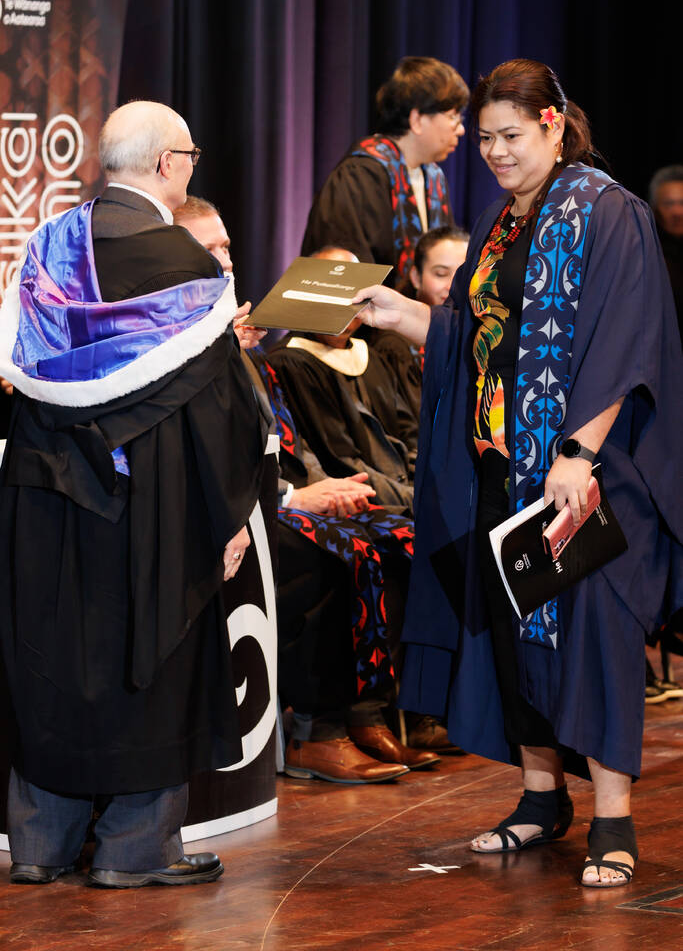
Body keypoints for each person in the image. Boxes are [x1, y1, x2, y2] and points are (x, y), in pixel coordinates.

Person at [353, 59, 683, 888]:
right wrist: (404, 317)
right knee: (514, 634)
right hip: (505, 467)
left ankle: (612, 817)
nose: (494, 152)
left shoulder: (610, 214)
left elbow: (625, 343)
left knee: (595, 637)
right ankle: (541, 797)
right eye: (486, 139)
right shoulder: (502, 227)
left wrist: (577, 454)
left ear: (550, 124)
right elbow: (476, 343)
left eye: (509, 135)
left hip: (586, 475)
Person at [0, 101, 266, 887]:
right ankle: (134, 850)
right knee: (151, 658)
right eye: (189, 153)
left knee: (51, 660)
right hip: (150, 504)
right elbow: (217, 414)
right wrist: (226, 516)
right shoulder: (187, 268)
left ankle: (41, 846)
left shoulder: (46, 248)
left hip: (41, 492)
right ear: (164, 165)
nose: (193, 165)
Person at [174, 198, 438, 781]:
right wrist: (295, 497)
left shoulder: (236, 336)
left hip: (269, 495)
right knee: (338, 553)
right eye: (207, 248)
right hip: (221, 511)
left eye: (225, 247)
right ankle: (317, 731)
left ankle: (376, 708)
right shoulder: (172, 337)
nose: (224, 260)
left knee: (401, 540)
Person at [270, 248, 418, 511]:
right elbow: (340, 461)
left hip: (407, 492)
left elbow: (409, 433)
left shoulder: (371, 355)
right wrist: (415, 500)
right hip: (353, 500)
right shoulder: (292, 362)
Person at [301, 57, 469, 286]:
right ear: (417, 119)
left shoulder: (434, 177)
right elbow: (343, 270)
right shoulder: (359, 176)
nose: (460, 129)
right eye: (452, 117)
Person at [373, 224, 469, 426]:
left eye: (463, 274)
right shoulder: (395, 346)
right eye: (441, 274)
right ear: (416, 277)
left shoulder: (480, 332)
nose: (453, 285)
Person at [648, 165, 683, 338]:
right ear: (655, 208)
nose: (677, 212)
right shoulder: (647, 254)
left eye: (682, 203)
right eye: (669, 204)